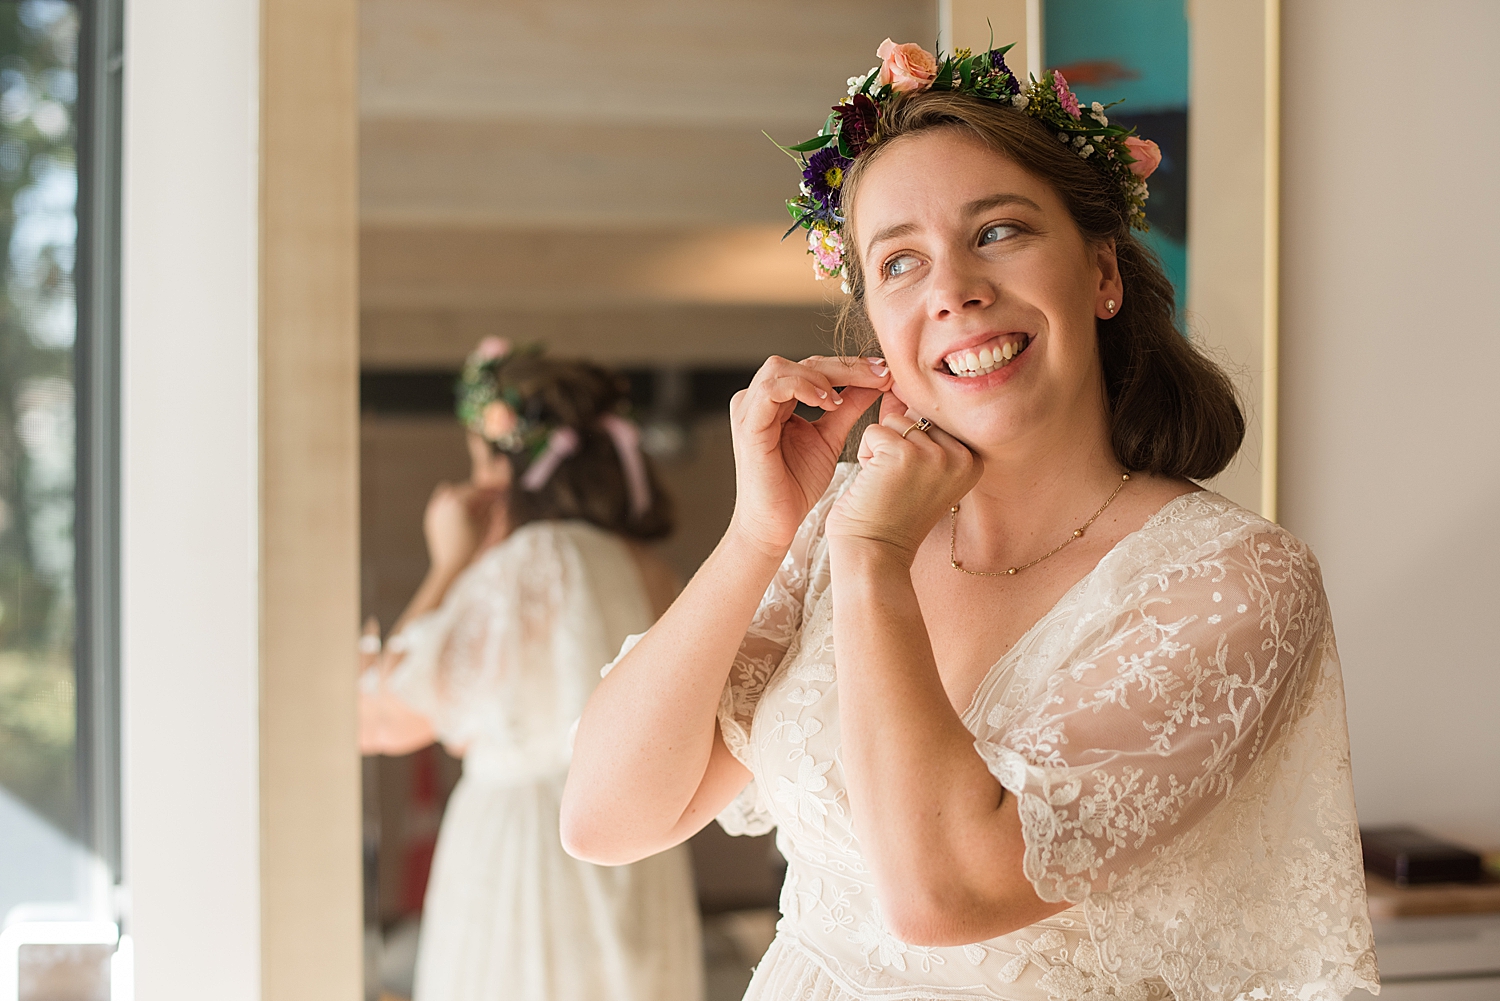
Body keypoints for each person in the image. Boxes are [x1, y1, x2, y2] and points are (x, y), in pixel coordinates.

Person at [561, 38, 1378, 1001]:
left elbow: (943, 894)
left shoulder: (1237, 581)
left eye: (997, 232)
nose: (953, 289)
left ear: (1103, 274)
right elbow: (605, 819)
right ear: (877, 336)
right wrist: (759, 534)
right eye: (900, 261)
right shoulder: (827, 534)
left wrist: (873, 558)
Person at [360, 340, 704, 1001]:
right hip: (637, 849)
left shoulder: (530, 562)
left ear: (504, 468)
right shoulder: (649, 566)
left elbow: (379, 715)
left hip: (530, 858)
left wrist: (448, 561)